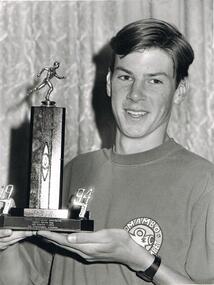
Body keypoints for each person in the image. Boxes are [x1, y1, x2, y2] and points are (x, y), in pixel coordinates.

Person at [1, 18, 214, 285]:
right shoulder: (73, 170)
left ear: (179, 91)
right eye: (126, 77)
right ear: (109, 82)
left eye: (155, 81)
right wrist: (5, 243)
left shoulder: (204, 182)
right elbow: (24, 280)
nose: (136, 94)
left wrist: (140, 260)